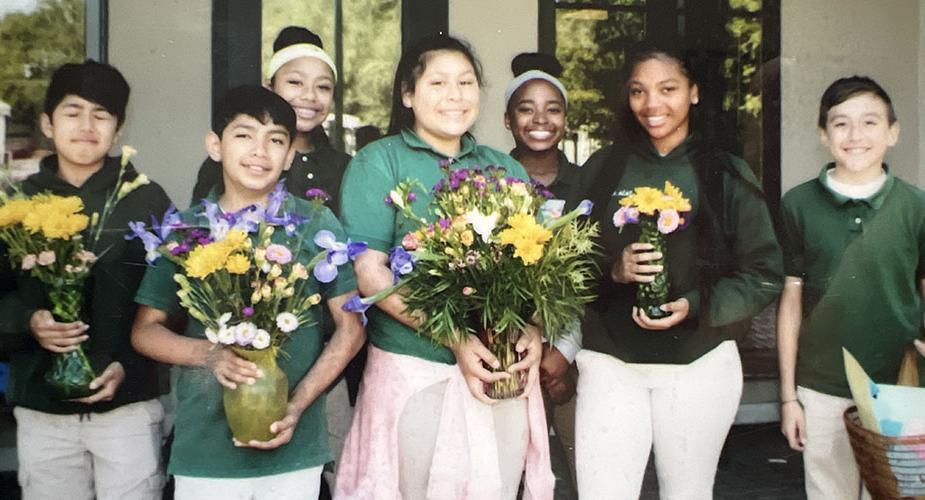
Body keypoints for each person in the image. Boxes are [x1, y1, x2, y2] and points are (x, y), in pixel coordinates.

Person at [334, 35, 552, 500]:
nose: (455, 94)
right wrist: (456, 339)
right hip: (414, 370)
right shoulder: (379, 162)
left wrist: (531, 327)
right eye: (437, 82)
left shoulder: (504, 169)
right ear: (408, 95)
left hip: (499, 370)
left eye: (466, 82)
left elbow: (533, 267)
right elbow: (371, 272)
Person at [130, 85, 364, 500]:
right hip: (205, 450)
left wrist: (297, 405)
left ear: (290, 154)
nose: (260, 151)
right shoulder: (187, 231)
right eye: (244, 135)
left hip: (293, 447)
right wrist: (209, 354)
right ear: (214, 145)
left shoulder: (313, 221)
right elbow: (145, 331)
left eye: (275, 140)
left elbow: (351, 328)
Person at [576, 40, 782, 499]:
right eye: (638, 91)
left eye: (667, 88)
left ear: (693, 91)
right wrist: (614, 270)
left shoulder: (722, 172)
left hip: (698, 364)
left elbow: (764, 273)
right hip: (613, 362)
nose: (652, 104)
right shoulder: (604, 169)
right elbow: (565, 266)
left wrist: (697, 303)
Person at [0, 60, 172, 500]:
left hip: (128, 410)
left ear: (118, 130)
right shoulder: (16, 203)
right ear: (47, 122)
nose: (86, 125)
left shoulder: (144, 199)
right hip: (42, 410)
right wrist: (28, 321)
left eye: (101, 114)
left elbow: (173, 304)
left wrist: (126, 366)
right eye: (72, 111)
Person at [777, 76, 925, 500]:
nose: (855, 136)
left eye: (870, 122)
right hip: (822, 388)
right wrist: (789, 398)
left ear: (893, 132)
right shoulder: (798, 204)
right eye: (841, 124)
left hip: (902, 388)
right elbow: (790, 303)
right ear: (824, 135)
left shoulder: (916, 207)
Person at [503, 51, 580, 499]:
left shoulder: (587, 183)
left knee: (580, 469)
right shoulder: (489, 177)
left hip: (570, 352)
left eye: (552, 109)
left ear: (566, 119)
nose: (540, 119)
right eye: (526, 108)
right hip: (505, 348)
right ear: (509, 119)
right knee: (506, 469)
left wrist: (563, 353)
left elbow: (590, 280)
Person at [190, 26, 350, 214]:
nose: (309, 96)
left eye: (323, 87)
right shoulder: (227, 161)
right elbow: (197, 232)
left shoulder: (345, 167)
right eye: (295, 82)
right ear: (269, 87)